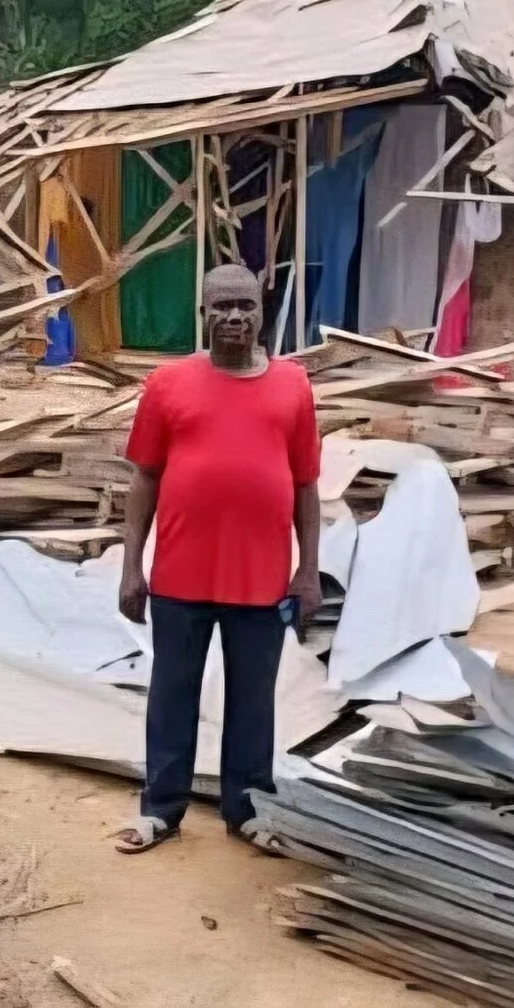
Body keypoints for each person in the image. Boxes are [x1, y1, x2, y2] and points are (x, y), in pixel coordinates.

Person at [111, 264, 321, 854]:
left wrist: (307, 572)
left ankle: (248, 809)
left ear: (261, 313)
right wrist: (133, 569)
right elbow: (144, 478)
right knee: (171, 692)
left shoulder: (293, 387)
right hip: (181, 575)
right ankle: (161, 810)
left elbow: (305, 484)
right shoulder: (167, 384)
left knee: (252, 701)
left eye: (245, 306)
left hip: (262, 579)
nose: (234, 317)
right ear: (202, 314)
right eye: (222, 306)